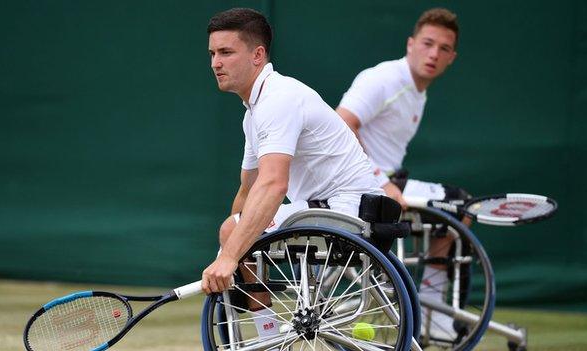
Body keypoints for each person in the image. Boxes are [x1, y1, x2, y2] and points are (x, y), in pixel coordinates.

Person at [201, 7, 384, 342]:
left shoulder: (278, 98)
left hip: (350, 213)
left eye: (226, 52)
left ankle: (265, 337)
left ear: (257, 55)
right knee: (235, 228)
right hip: (336, 210)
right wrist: (230, 253)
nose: (216, 63)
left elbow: (273, 184)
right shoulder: (255, 112)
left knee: (235, 231)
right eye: (212, 53)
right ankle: (268, 335)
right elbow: (248, 189)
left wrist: (230, 255)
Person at [335, 8, 469, 338]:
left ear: (452, 57)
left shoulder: (417, 91)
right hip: (364, 188)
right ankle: (433, 311)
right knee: (461, 207)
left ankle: (431, 307)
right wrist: (381, 182)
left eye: (444, 48)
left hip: (387, 183)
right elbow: (341, 125)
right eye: (428, 43)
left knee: (458, 208)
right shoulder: (383, 79)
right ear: (411, 44)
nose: (434, 53)